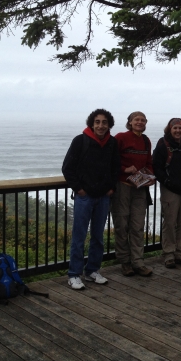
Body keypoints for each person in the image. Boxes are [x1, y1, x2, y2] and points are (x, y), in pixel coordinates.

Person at [62, 109, 120, 290]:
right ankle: (74, 274)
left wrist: (111, 188)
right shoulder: (80, 141)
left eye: (104, 122)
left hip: (103, 197)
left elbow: (115, 168)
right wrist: (79, 189)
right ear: (91, 124)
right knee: (79, 236)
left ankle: (92, 270)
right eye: (97, 122)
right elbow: (67, 168)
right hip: (84, 197)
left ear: (109, 124)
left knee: (98, 237)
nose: (101, 125)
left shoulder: (112, 143)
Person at [111, 111, 155, 277]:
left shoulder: (145, 140)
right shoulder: (120, 138)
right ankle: (125, 262)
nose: (140, 122)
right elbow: (111, 160)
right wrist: (124, 169)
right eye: (136, 119)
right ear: (129, 122)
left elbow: (149, 162)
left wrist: (151, 177)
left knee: (137, 226)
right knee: (122, 225)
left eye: (143, 120)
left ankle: (138, 262)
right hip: (122, 186)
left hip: (140, 188)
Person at [153, 118, 181, 268]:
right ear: (169, 129)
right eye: (175, 128)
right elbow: (156, 168)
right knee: (170, 223)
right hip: (170, 190)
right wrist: (167, 182)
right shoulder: (163, 146)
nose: (178, 131)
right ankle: (169, 254)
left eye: (180, 128)